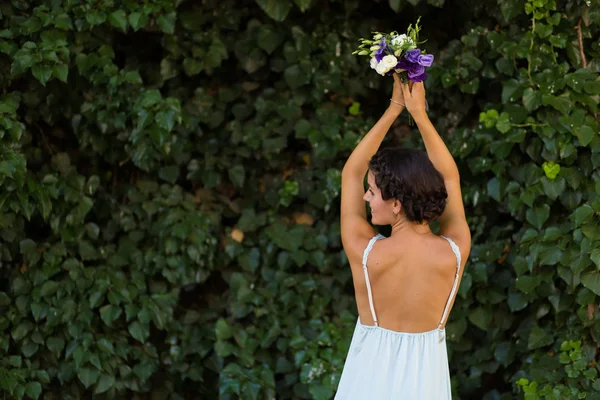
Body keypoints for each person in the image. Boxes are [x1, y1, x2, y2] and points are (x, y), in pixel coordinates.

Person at [335, 74, 471, 399]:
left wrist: (395, 108)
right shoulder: (455, 250)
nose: (366, 197)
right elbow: (450, 178)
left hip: (365, 381)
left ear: (396, 204)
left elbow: (351, 173)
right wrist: (420, 115)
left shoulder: (364, 252)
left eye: (372, 192)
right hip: (427, 386)